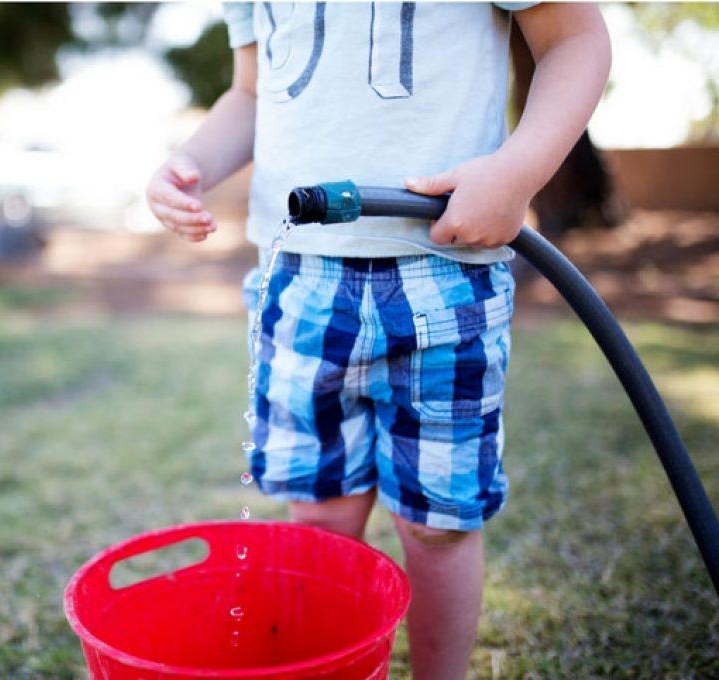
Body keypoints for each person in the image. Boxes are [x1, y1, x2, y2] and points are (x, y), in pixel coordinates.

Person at [146, 3, 610, 678]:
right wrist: (187, 161)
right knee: (320, 516)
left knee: (438, 524)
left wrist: (518, 170)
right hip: (300, 279)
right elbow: (251, 91)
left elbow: (574, 38)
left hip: (443, 272)